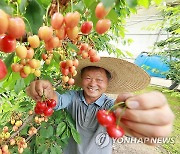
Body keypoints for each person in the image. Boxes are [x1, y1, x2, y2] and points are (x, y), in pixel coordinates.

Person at [26, 57, 174, 154]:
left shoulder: (111, 107)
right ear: (81, 80)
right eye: (88, 78)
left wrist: (143, 120)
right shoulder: (73, 98)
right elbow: (56, 100)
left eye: (99, 80)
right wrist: (47, 92)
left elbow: (123, 121)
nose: (93, 84)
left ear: (107, 84)